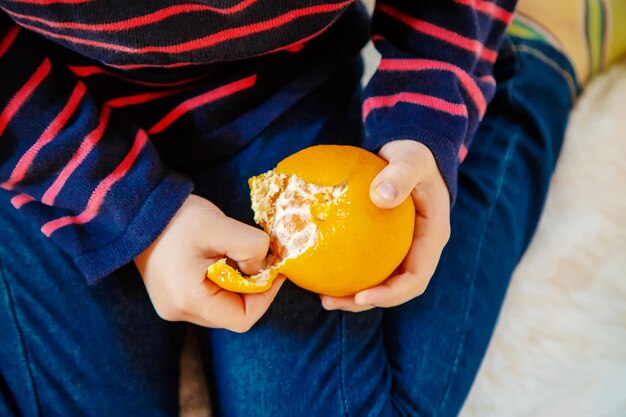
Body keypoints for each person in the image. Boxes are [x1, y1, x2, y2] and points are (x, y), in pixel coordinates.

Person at [0, 0, 624, 416]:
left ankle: (535, 58)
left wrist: (434, 93)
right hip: (45, 116)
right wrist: (124, 210)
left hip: (278, 88)